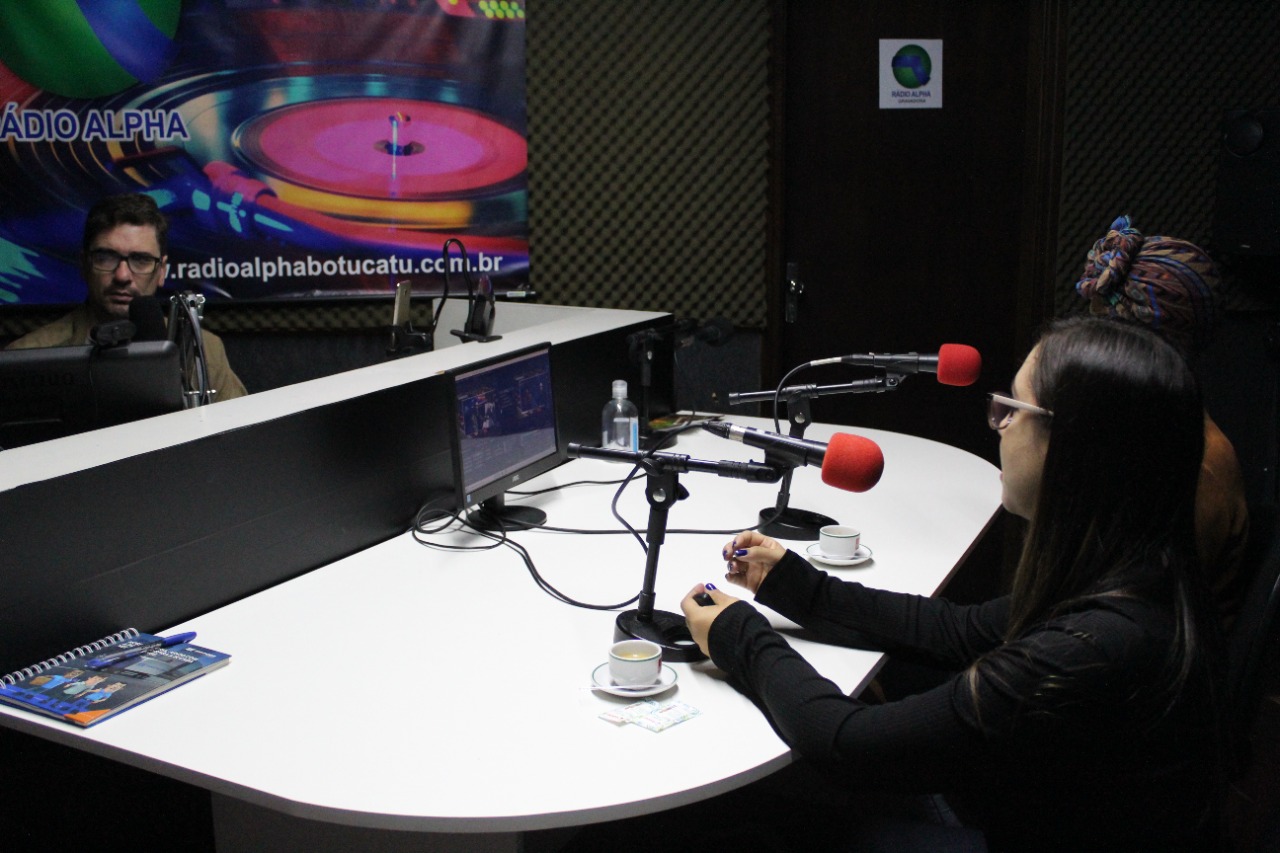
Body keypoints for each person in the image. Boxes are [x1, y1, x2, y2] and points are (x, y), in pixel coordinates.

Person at [680, 318, 1224, 852]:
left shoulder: (1092, 648)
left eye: (1013, 408)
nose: (998, 424)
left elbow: (847, 744)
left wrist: (738, 634)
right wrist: (795, 586)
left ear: (1076, 447)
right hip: (1019, 808)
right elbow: (957, 629)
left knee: (738, 823)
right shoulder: (1136, 574)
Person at [1075, 214, 1248, 629]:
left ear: (1150, 346)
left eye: (1105, 331)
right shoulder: (1148, 429)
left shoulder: (1197, 469)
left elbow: (1130, 615)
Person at [6, 193, 247, 402]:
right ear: (84, 264)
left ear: (162, 271)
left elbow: (239, 436)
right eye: (106, 258)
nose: (122, 275)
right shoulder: (26, 358)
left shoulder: (203, 351)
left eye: (141, 260)